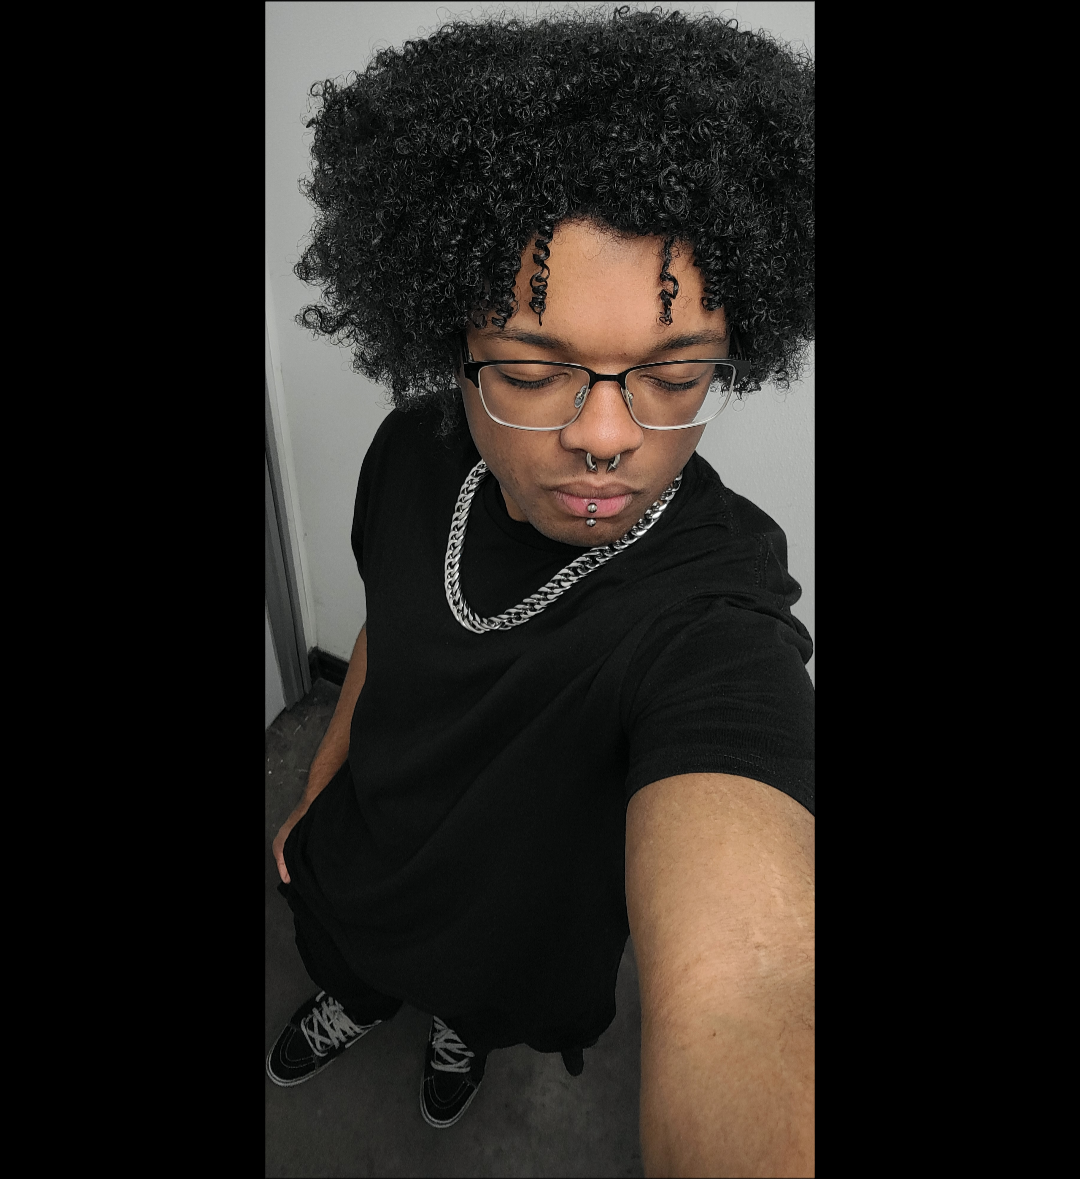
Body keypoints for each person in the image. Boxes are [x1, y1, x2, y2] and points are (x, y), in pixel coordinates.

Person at [268, 7, 814, 1175]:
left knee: (478, 1006)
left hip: (518, 930)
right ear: (449, 344)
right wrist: (320, 782)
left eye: (675, 374)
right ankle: (356, 999)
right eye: (528, 369)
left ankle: (459, 1038)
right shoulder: (411, 453)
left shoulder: (716, 614)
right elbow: (391, 630)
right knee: (352, 958)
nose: (607, 435)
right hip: (372, 856)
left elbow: (751, 990)